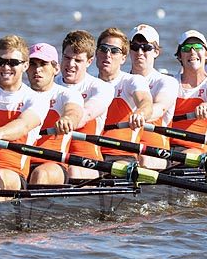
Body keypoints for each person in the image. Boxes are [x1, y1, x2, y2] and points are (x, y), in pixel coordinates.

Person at [0, 34, 50, 195]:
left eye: (13, 63)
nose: (6, 67)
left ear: (25, 65)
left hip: (12, 171)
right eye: (1, 62)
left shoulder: (36, 99)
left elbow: (23, 125)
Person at [56, 30, 114, 179]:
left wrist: (69, 120)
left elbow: (86, 114)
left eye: (78, 60)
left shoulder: (102, 88)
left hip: (85, 159)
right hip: (53, 158)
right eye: (67, 58)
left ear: (89, 61)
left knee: (73, 171)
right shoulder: (51, 85)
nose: (71, 64)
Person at [26, 42, 84, 186]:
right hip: (19, 161)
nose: (37, 69)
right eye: (32, 64)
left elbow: (74, 112)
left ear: (56, 68)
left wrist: (67, 119)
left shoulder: (66, 95)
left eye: (43, 64)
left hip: (53, 163)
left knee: (40, 174)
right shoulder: (21, 95)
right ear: (26, 68)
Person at [95, 27, 152, 160]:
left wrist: (140, 113)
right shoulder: (90, 84)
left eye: (114, 51)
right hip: (92, 155)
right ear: (96, 53)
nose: (108, 54)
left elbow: (145, 103)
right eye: (104, 49)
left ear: (123, 58)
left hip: (122, 156)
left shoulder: (133, 81)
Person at [127, 24, 179, 169]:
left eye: (146, 47)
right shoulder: (122, 81)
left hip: (155, 152)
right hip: (123, 148)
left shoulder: (167, 82)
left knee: (140, 160)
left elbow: (160, 108)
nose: (139, 52)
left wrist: (142, 114)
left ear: (156, 51)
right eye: (135, 47)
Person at [170, 29, 207, 154]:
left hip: (196, 150)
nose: (192, 52)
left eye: (197, 47)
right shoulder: (169, 82)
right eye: (186, 48)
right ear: (180, 56)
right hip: (165, 148)